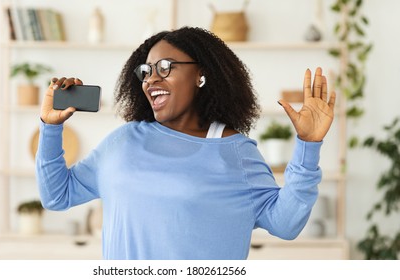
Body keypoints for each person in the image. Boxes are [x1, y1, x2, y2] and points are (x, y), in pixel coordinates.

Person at [35, 26, 336, 260]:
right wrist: (51, 127)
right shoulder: (123, 142)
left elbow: (286, 224)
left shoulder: (235, 152)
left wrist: (308, 145)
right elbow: (57, 195)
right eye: (146, 71)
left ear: (201, 74)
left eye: (165, 67)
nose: (152, 79)